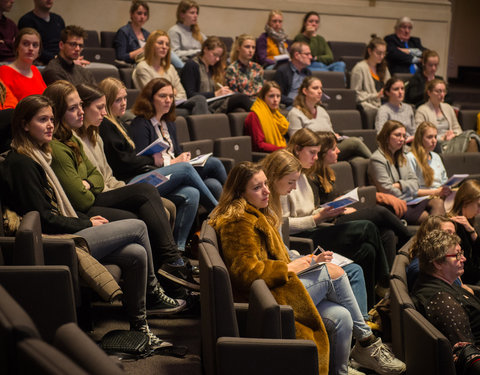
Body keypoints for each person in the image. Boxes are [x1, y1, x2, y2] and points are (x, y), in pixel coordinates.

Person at [0, 94, 185, 346]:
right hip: (56, 241)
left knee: (135, 253)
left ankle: (140, 327)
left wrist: (85, 219)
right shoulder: (22, 163)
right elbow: (44, 218)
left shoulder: (39, 155)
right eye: (42, 120)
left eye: (51, 120)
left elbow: (75, 195)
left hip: (66, 229)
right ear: (23, 124)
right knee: (138, 226)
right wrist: (86, 223)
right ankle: (154, 292)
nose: (50, 126)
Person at [209, 161, 406, 375]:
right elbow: (244, 273)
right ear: (239, 193)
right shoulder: (238, 221)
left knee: (342, 316)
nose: (267, 190)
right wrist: (292, 268)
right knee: (335, 273)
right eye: (257, 188)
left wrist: (305, 262)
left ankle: (340, 370)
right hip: (264, 297)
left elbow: (277, 258)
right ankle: (367, 342)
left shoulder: (256, 213)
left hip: (277, 287)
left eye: (265, 184)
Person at [45, 80, 198, 297]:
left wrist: (90, 183)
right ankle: (171, 267)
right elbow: (84, 197)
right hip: (91, 203)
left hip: (105, 191)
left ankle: (169, 272)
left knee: (179, 198)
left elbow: (99, 176)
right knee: (165, 182)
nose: (103, 112)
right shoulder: (68, 142)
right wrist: (92, 184)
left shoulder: (86, 136)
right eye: (98, 107)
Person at [98, 77, 218, 253]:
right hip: (128, 182)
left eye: (125, 98)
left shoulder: (119, 123)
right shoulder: (107, 126)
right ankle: (219, 212)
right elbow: (123, 163)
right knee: (187, 168)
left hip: (143, 173)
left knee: (191, 193)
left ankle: (179, 250)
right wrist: (152, 160)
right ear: (107, 101)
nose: (124, 103)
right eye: (118, 100)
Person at [283, 128, 391, 308]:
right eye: (312, 153)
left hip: (315, 227)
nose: (316, 158)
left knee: (368, 250)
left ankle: (372, 308)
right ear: (296, 149)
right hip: (302, 239)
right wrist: (318, 217)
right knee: (367, 227)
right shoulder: (286, 178)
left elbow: (310, 210)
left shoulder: (303, 175)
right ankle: (386, 282)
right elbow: (283, 224)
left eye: (317, 153)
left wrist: (328, 210)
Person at [262, 149, 370, 321]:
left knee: (362, 256)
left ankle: (363, 330)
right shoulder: (265, 207)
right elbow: (271, 260)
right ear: (274, 177)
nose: (295, 187)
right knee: (349, 266)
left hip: (293, 258)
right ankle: (364, 332)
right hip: (288, 268)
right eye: (291, 182)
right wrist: (306, 260)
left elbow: (282, 246)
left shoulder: (274, 202)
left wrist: (304, 258)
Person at [311, 130, 411, 267]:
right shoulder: (312, 177)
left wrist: (343, 199)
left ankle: (388, 282)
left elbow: (332, 198)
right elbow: (315, 210)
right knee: (379, 212)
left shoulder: (328, 172)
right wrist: (337, 208)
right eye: (333, 148)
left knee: (388, 233)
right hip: (330, 223)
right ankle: (410, 239)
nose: (339, 151)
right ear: (322, 153)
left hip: (339, 213)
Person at [130, 77, 226, 199]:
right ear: (150, 98)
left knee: (214, 184)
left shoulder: (169, 122)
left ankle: (229, 210)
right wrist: (172, 162)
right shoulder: (140, 124)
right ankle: (236, 203)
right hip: (159, 174)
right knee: (214, 163)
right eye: (163, 96)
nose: (168, 100)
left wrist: (184, 157)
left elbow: (176, 152)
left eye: (171, 96)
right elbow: (143, 162)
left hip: (178, 169)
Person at [412, 230, 480, 375]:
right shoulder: (442, 301)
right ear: (437, 262)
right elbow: (468, 358)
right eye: (457, 255)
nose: (464, 259)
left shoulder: (444, 284)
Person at [368, 120, 445, 224]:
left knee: (438, 202)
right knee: (432, 219)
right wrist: (407, 190)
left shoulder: (402, 157)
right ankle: (436, 238)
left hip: (411, 201)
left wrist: (399, 185)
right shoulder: (377, 159)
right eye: (397, 135)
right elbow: (387, 189)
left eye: (404, 136)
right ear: (386, 137)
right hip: (395, 205)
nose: (402, 139)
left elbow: (415, 183)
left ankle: (436, 238)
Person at [287, 76, 372, 160]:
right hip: (313, 151)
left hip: (330, 148)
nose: (320, 91)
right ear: (305, 91)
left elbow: (330, 132)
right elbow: (296, 141)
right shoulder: (295, 113)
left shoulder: (321, 110)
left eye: (321, 88)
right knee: (354, 142)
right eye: (315, 88)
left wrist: (334, 136)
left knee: (358, 160)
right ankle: (378, 162)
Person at [132, 30, 208, 115]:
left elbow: (182, 94)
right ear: (151, 45)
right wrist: (172, 92)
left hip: (175, 105)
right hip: (154, 108)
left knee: (200, 100)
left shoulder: (170, 68)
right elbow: (152, 95)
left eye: (167, 44)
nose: (164, 47)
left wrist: (166, 94)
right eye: (160, 43)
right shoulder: (143, 67)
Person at [180, 36, 252, 113]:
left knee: (239, 110)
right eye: (215, 55)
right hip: (203, 104)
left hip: (215, 102)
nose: (217, 59)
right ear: (205, 49)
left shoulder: (213, 67)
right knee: (241, 98)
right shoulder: (192, 65)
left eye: (219, 56)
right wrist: (215, 94)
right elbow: (190, 95)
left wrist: (226, 93)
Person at [415, 78, 479, 153]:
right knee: (471, 138)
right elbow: (420, 134)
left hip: (452, 140)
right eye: (438, 91)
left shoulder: (448, 107)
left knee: (471, 138)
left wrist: (453, 135)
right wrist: (442, 138)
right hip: (437, 144)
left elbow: (457, 128)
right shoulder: (422, 110)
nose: (442, 94)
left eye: (444, 91)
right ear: (429, 93)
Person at [406, 121, 452, 200]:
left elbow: (444, 181)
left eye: (435, 137)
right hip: (424, 199)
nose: (434, 141)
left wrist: (446, 189)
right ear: (420, 139)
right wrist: (436, 192)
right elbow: (411, 191)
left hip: (440, 195)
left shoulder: (436, 156)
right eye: (429, 137)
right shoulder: (411, 158)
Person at [448, 179, 480, 286]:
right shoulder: (452, 227)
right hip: (467, 282)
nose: (479, 210)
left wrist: (472, 232)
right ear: (466, 202)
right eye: (478, 205)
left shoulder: (467, 224)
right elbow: (458, 263)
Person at [0, 28, 46, 101]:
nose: (31, 48)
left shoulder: (35, 70)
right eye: (25, 44)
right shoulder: (4, 71)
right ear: (17, 47)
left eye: (35, 45)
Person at [350, 35, 391, 116]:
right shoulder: (359, 68)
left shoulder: (384, 68)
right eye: (379, 53)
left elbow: (389, 85)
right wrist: (376, 95)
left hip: (384, 103)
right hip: (370, 105)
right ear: (369, 51)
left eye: (384, 53)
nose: (382, 56)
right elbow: (355, 94)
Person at [244, 80, 288, 152]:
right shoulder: (255, 115)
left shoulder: (277, 115)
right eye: (271, 96)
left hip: (280, 152)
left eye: (278, 96)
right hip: (264, 156)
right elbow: (259, 145)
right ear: (263, 97)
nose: (275, 100)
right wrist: (283, 149)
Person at [17, 0, 65, 65]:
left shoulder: (58, 19)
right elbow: (31, 49)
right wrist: (59, 59)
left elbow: (65, 43)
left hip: (60, 60)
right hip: (42, 63)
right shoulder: (27, 21)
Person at [273, 41, 312, 108]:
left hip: (306, 104)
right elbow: (277, 94)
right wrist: (295, 102)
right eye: (307, 54)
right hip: (291, 105)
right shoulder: (283, 71)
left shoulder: (308, 72)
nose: (311, 57)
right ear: (297, 55)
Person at [375, 77, 415, 142]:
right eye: (396, 89)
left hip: (410, 143)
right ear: (387, 92)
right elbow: (380, 134)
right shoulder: (383, 110)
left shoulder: (408, 108)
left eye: (402, 89)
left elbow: (414, 131)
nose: (400, 92)